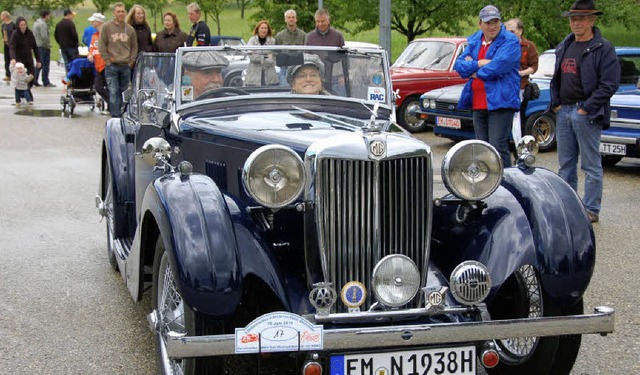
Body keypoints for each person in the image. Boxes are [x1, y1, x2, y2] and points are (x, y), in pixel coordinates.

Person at [550, 0, 620, 223]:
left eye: (581, 18)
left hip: (586, 112)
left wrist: (586, 109)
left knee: (590, 164)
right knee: (566, 164)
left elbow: (609, 84)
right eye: (573, 18)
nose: (576, 22)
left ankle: (590, 209)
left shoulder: (603, 48)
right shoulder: (565, 44)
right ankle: (568, 206)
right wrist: (556, 103)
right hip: (564, 111)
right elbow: (556, 78)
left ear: (592, 19)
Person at [453, 5, 521, 168]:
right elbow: (459, 65)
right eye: (488, 22)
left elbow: (498, 67)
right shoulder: (475, 40)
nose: (492, 26)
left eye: (495, 21)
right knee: (482, 149)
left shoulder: (510, 41)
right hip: (478, 102)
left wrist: (474, 71)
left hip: (501, 102)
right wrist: (479, 63)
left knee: (497, 147)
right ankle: (487, 187)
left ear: (500, 22)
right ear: (480, 24)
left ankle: (507, 185)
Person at [99, 3, 138, 117]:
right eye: (118, 11)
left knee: (124, 92)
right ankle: (115, 116)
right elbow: (101, 45)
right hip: (112, 65)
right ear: (114, 13)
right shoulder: (107, 27)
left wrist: (131, 61)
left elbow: (134, 46)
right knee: (113, 92)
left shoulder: (130, 29)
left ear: (125, 13)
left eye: (122, 11)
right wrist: (107, 60)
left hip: (125, 65)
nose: (121, 13)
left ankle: (123, 114)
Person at [505, 18, 538, 145]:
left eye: (512, 32)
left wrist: (521, 73)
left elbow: (534, 67)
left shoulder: (528, 46)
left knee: (518, 118)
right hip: (505, 87)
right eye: (507, 32)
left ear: (520, 31)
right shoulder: (503, 45)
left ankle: (519, 145)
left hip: (521, 86)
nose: (509, 35)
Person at [9, 16, 40, 101]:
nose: (23, 27)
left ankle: (24, 92)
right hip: (20, 61)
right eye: (21, 25)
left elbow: (35, 47)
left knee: (31, 77)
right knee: (22, 79)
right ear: (18, 26)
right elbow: (12, 47)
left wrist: (38, 60)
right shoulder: (15, 34)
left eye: (24, 25)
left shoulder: (29, 33)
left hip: (29, 59)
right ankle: (26, 95)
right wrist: (13, 58)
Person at [275, 9, 306, 85]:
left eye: (293, 17)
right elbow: (276, 53)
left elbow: (306, 52)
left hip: (299, 68)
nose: (291, 19)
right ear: (285, 20)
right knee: (284, 92)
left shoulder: (303, 35)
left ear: (296, 19)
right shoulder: (279, 36)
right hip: (284, 69)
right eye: (289, 17)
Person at [86, 13, 109, 114]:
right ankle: (112, 104)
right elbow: (92, 48)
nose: (91, 23)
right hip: (98, 65)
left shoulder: (107, 34)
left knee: (107, 87)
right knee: (99, 86)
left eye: (93, 21)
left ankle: (113, 105)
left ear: (99, 22)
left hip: (107, 64)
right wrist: (90, 54)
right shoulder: (95, 35)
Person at [245, 20, 278, 87]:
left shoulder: (273, 41)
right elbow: (251, 56)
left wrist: (259, 56)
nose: (264, 30)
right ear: (258, 29)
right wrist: (265, 57)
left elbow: (273, 58)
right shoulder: (252, 40)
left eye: (265, 28)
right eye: (262, 28)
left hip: (270, 76)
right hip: (254, 76)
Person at [32, 10, 54, 87]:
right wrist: (48, 44)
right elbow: (44, 36)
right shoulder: (43, 24)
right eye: (48, 15)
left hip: (37, 45)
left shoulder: (36, 23)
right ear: (46, 15)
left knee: (39, 63)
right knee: (45, 64)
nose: (49, 17)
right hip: (43, 46)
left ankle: (34, 79)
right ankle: (45, 81)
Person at [54, 9, 79, 74]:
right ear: (68, 15)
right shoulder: (70, 23)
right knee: (73, 62)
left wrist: (60, 42)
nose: (72, 17)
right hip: (72, 47)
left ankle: (68, 76)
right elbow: (74, 35)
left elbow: (55, 35)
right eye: (71, 15)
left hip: (63, 47)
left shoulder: (58, 24)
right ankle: (73, 76)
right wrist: (76, 43)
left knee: (66, 62)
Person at [2, 11, 16, 81]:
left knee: (12, 59)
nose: (1, 17)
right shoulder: (3, 25)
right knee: (6, 60)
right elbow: (3, 33)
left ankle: (14, 75)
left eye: (2, 15)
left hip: (12, 44)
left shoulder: (13, 25)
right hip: (6, 44)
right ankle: (8, 75)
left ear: (6, 16)